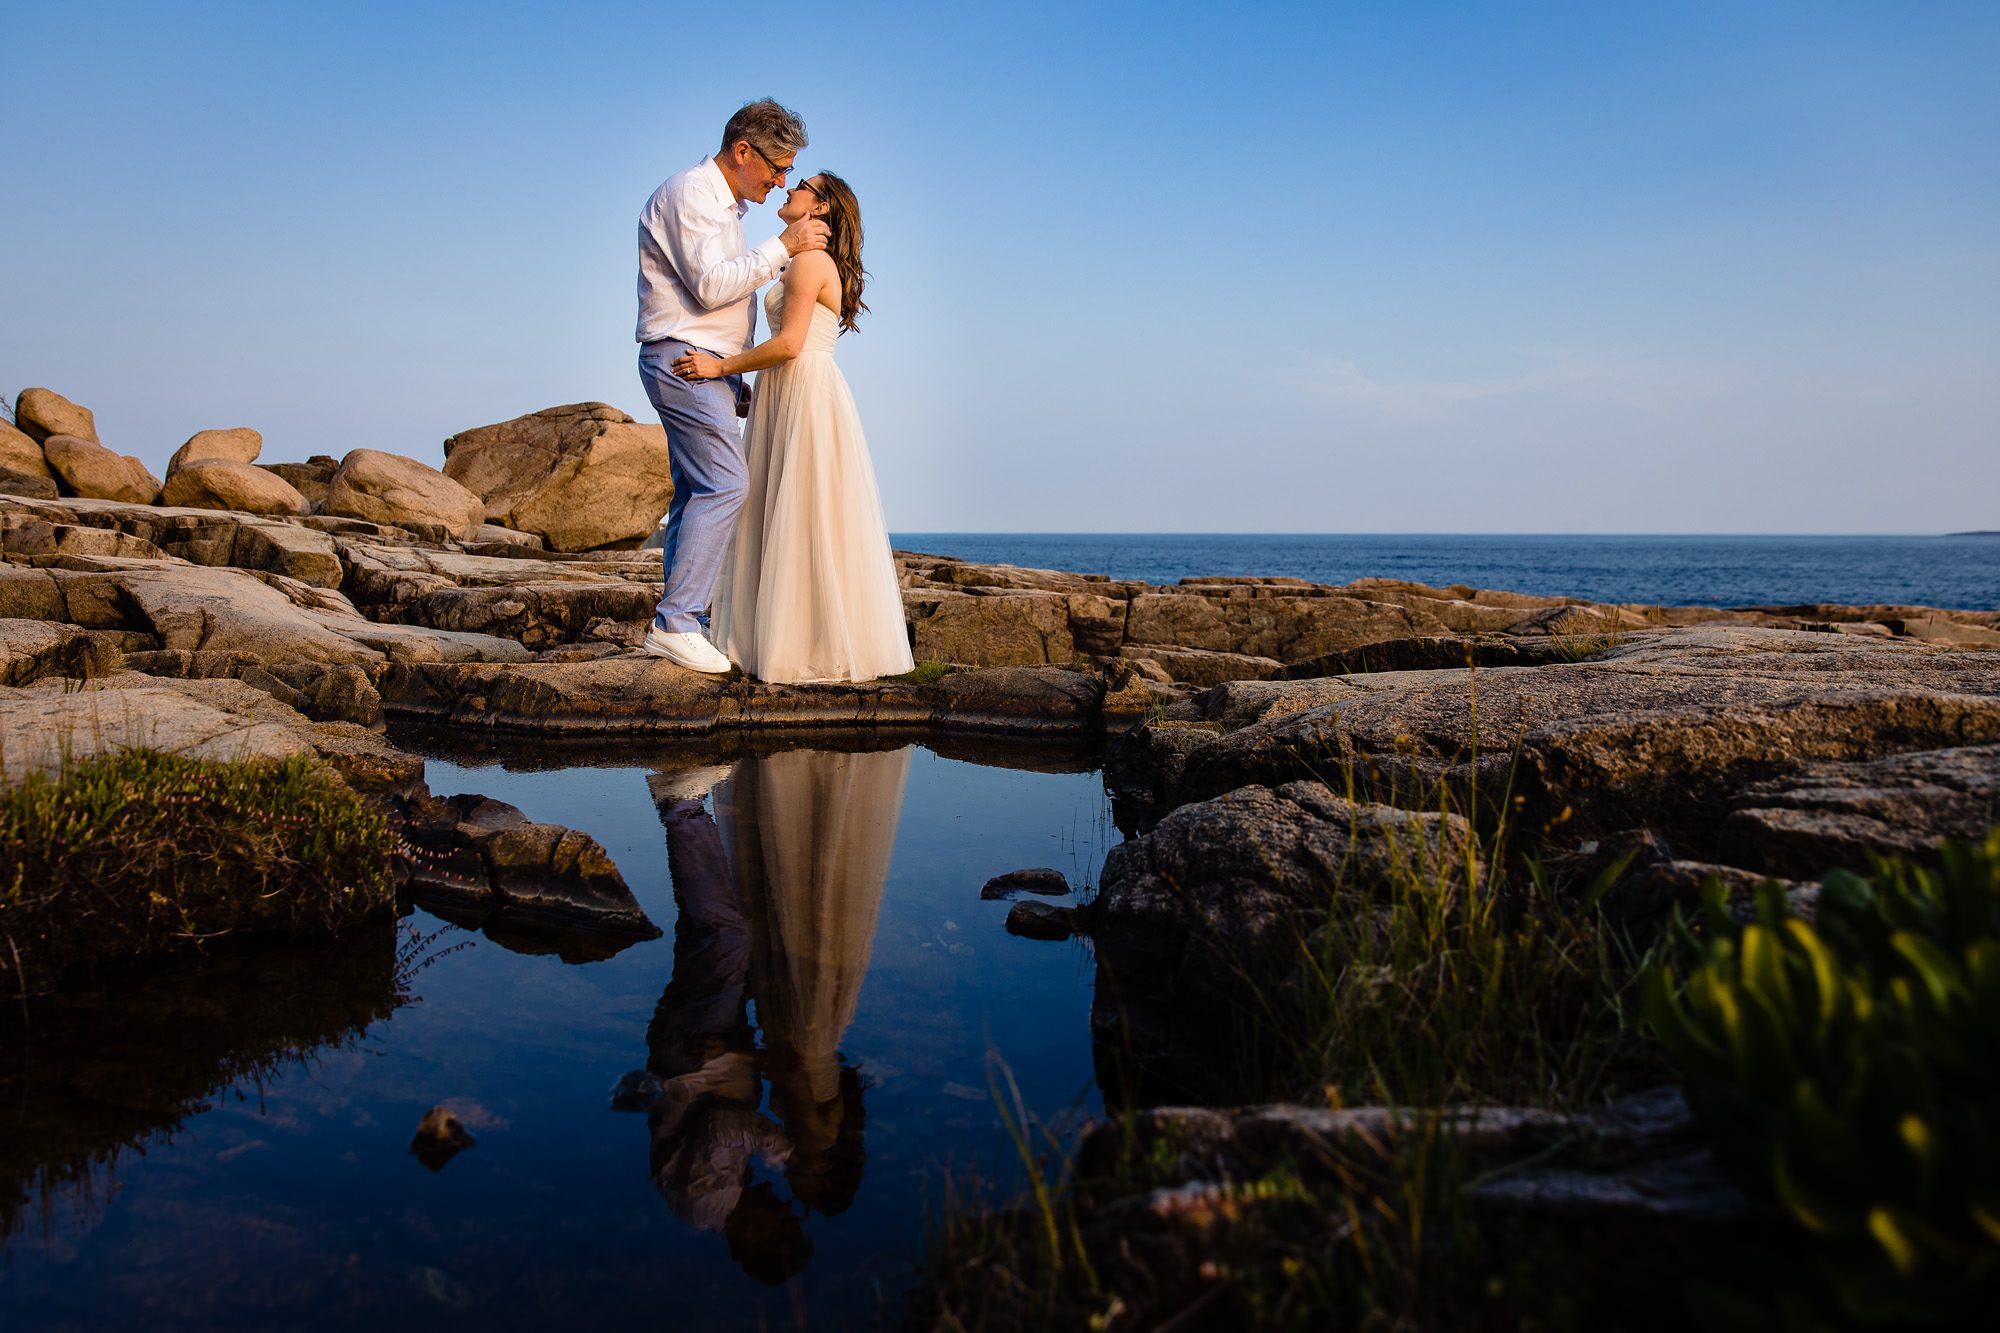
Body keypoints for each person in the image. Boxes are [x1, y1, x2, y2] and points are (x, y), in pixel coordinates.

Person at [673, 173, 914, 684]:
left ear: (821, 208)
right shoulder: (798, 259)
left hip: (803, 385)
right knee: (784, 509)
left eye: (800, 184)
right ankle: (773, 636)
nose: (788, 189)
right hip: (787, 389)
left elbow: (790, 345)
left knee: (803, 511)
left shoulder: (808, 262)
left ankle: (800, 646)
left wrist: (719, 368)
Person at [636, 99, 830, 673]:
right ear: (742, 150)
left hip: (703, 362)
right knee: (725, 485)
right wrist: (784, 248)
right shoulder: (693, 192)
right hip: (682, 359)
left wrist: (734, 378)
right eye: (777, 166)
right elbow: (709, 288)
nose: (781, 180)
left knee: (694, 491)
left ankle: (678, 621)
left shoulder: (727, 207)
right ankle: (677, 622)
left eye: (790, 172)